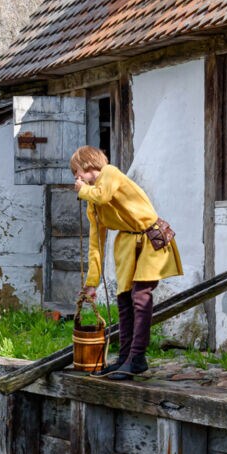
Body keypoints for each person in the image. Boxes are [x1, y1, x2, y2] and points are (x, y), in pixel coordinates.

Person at [71, 146, 182, 380]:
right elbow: (95, 244)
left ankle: (137, 358)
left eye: (77, 170)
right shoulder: (94, 203)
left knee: (140, 298)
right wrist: (92, 283)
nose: (76, 177)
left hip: (151, 240)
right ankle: (124, 358)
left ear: (89, 164)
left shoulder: (110, 173)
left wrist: (83, 191)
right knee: (124, 301)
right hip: (128, 247)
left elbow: (103, 194)